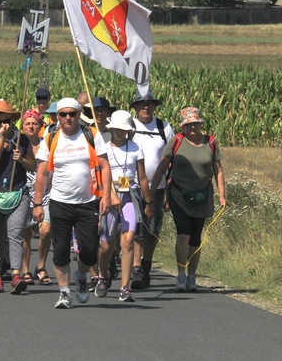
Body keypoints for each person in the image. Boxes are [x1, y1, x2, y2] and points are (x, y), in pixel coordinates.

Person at [32, 98, 112, 309]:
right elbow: (41, 173)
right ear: (57, 116)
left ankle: (82, 275)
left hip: (88, 201)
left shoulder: (91, 135)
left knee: (88, 250)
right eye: (63, 114)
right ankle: (64, 292)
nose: (68, 118)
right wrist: (37, 203)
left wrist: (105, 195)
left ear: (78, 115)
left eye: (72, 114)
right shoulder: (50, 139)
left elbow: (104, 166)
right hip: (60, 202)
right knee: (60, 249)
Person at [150, 107, 226, 292]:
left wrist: (222, 195)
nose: (193, 128)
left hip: (202, 195)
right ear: (183, 127)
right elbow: (162, 167)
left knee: (196, 237)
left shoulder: (211, 142)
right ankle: (181, 274)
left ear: (201, 124)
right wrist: (152, 192)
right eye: (189, 125)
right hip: (178, 194)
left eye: (195, 124)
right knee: (183, 233)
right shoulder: (176, 141)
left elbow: (218, 170)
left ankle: (192, 276)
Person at [95, 110, 151, 302]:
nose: (120, 132)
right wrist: (110, 195)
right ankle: (103, 276)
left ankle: (125, 288)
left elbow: (142, 177)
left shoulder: (136, 148)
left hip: (130, 195)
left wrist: (148, 201)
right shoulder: (103, 148)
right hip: (109, 196)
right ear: (111, 129)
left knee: (127, 240)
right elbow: (101, 174)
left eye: (124, 129)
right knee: (107, 243)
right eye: (117, 129)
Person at [0, 101, 35, 294]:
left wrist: (21, 160)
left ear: (13, 120)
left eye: (6, 120)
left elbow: (33, 166)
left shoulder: (23, 140)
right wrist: (0, 139)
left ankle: (16, 274)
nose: (2, 125)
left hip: (18, 192)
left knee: (15, 233)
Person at [130, 91, 174, 289]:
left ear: (155, 107)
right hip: (132, 187)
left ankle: (146, 263)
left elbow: (172, 159)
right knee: (136, 228)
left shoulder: (163, 128)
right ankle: (137, 269)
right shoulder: (129, 126)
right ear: (135, 107)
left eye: (149, 103)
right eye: (141, 104)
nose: (145, 107)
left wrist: (170, 192)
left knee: (153, 230)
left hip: (158, 188)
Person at [20, 109, 52, 285]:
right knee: (25, 233)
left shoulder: (46, 144)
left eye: (34, 123)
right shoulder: (19, 144)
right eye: (27, 123)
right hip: (24, 190)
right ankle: (25, 269)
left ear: (40, 126)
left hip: (45, 191)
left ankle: (41, 266)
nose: (31, 126)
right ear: (23, 126)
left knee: (45, 230)